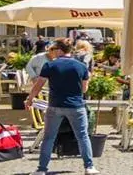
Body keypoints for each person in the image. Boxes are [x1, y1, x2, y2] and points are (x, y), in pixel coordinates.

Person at [29, 39, 95, 175]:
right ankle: (89, 167)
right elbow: (84, 89)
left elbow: (38, 85)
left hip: (55, 105)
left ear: (59, 50)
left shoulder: (50, 65)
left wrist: (30, 99)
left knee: (49, 138)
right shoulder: (81, 66)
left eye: (54, 49)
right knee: (83, 136)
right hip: (76, 106)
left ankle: (42, 169)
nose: (52, 52)